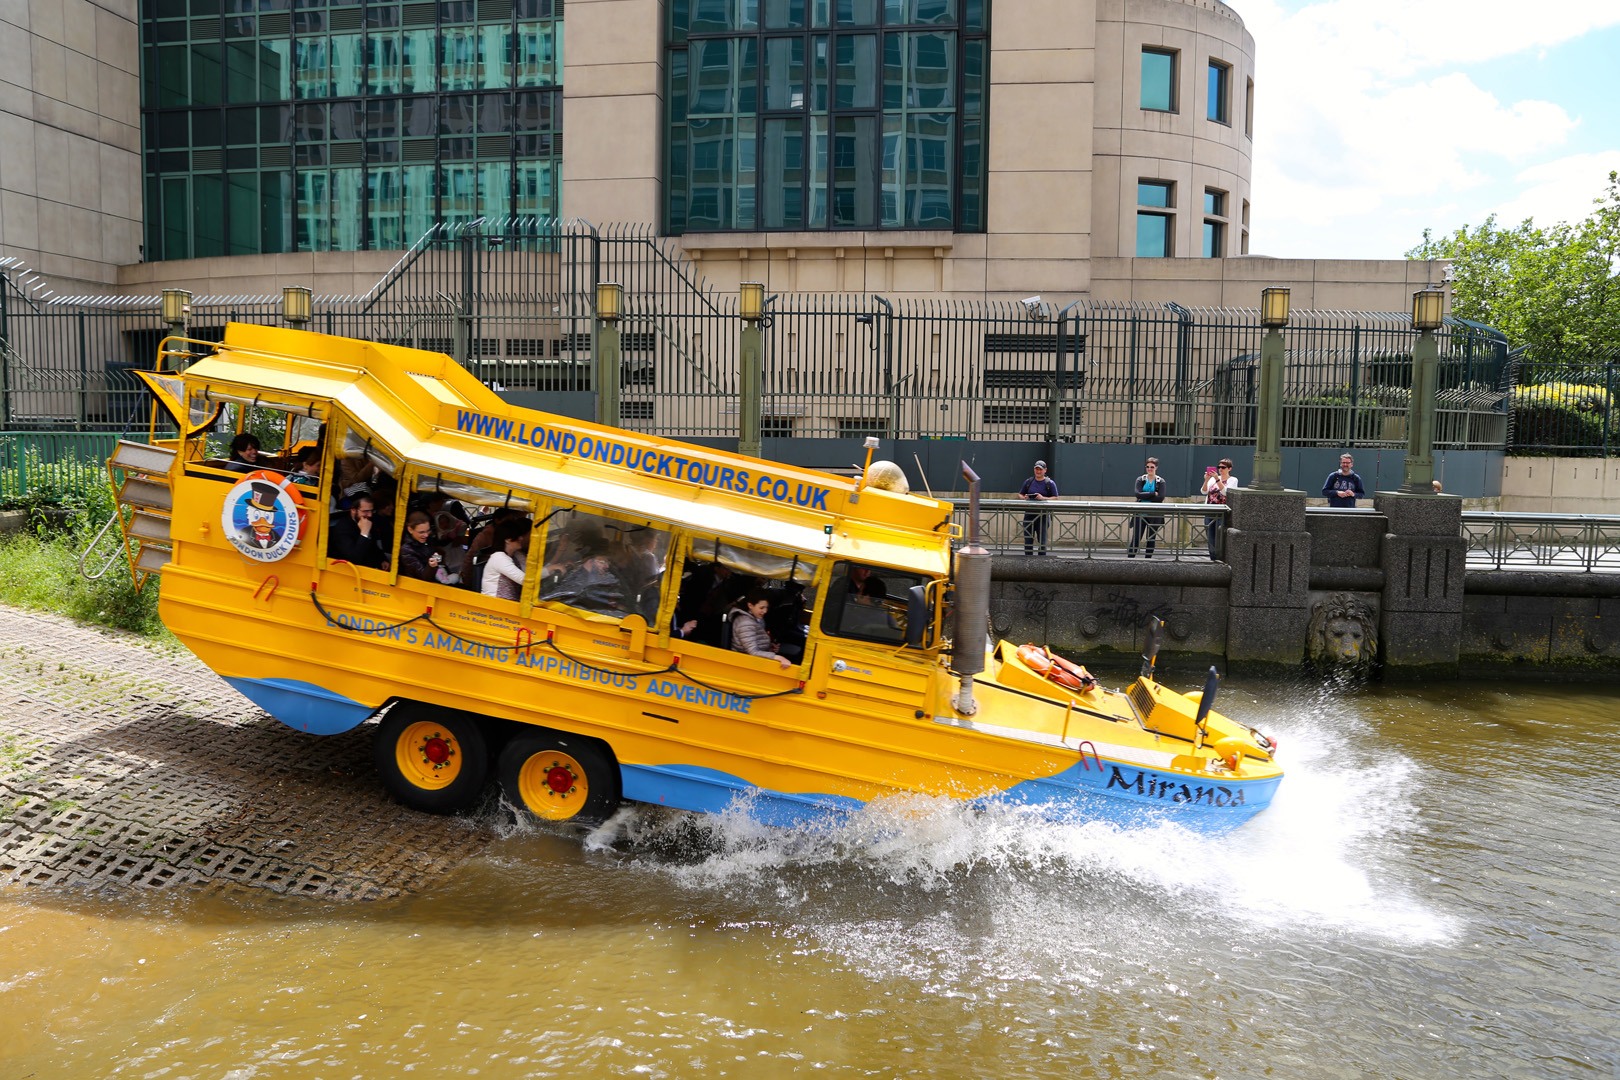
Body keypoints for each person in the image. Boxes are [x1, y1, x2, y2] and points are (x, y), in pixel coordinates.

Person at [729, 589, 793, 669]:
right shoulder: (745, 624)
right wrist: (778, 657)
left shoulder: (756, 616)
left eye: (766, 608)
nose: (765, 611)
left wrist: (770, 645)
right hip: (745, 663)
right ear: (750, 605)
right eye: (762, 608)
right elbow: (753, 652)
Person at [328, 494, 387, 569]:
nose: (370, 515)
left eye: (372, 511)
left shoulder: (368, 520)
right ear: (353, 510)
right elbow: (354, 558)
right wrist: (364, 533)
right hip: (349, 571)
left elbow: (373, 545)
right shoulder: (342, 529)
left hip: (370, 566)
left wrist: (382, 559)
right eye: (365, 511)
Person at [1127, 457, 1167, 558]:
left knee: (1151, 538)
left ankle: (1148, 559)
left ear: (1156, 468)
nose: (1149, 469)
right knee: (1136, 537)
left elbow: (1161, 497)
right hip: (1140, 512)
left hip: (1155, 513)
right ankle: (1130, 558)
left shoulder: (1160, 481)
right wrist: (1153, 493)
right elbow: (1137, 494)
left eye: (1152, 467)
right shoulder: (1140, 479)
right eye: (1147, 467)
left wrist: (1145, 495)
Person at [480, 520, 528, 602]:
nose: (521, 538)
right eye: (518, 536)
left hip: (509, 604)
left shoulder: (515, 555)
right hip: (496, 607)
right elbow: (524, 580)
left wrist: (550, 569)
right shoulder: (499, 558)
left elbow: (529, 573)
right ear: (508, 540)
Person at [1019, 460, 1058, 555]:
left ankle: (1041, 561)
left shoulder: (1050, 483)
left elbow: (1056, 497)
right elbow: (1020, 494)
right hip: (1029, 514)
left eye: (1040, 469)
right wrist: (1025, 498)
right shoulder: (1028, 482)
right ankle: (1028, 560)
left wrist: (1042, 498)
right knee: (1028, 540)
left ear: (1045, 470)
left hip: (1043, 515)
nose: (1038, 471)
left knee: (1042, 541)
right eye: (1036, 469)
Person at [1201, 458, 1237, 561]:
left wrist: (1217, 479)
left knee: (1220, 537)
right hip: (1209, 511)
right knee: (1211, 537)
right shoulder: (1212, 479)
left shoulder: (1233, 480)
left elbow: (1225, 493)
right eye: (1219, 467)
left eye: (1223, 467)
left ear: (1229, 469)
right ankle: (1213, 559)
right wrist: (1206, 480)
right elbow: (1204, 491)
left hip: (1221, 513)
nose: (1220, 469)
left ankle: (1220, 559)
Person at [397, 511, 441, 583]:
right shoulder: (407, 550)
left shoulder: (428, 540)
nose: (426, 535)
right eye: (421, 532)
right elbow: (423, 576)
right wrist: (432, 566)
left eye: (428, 531)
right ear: (410, 529)